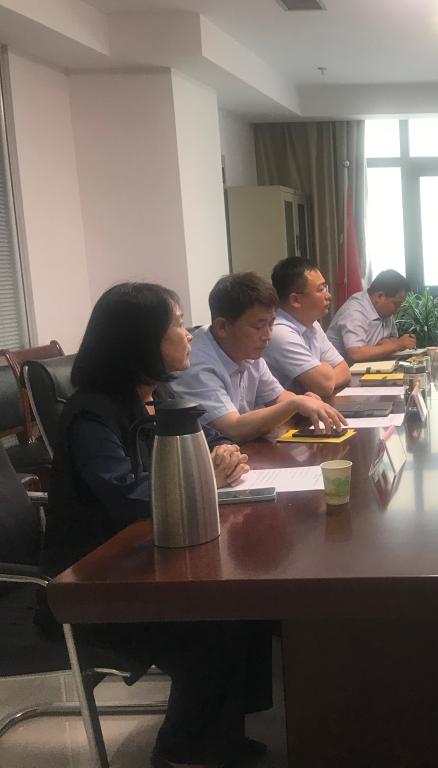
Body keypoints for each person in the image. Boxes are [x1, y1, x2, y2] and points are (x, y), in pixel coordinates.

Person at [44, 282, 272, 768]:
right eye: (178, 325)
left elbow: (210, 438)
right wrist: (205, 476)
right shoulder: (92, 413)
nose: (189, 335)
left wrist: (223, 455)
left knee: (250, 603)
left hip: (155, 553)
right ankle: (180, 751)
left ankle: (221, 734)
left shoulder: (159, 395)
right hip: (99, 579)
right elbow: (126, 496)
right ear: (141, 339)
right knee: (215, 625)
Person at [173, 272, 345, 443]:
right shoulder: (196, 363)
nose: (268, 336)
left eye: (271, 324)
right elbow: (232, 429)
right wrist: (296, 404)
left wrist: (308, 403)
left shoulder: (248, 351)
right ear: (222, 327)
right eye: (259, 327)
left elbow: (278, 398)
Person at [263, 257, 351, 398]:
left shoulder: (312, 323)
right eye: (321, 289)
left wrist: (326, 379)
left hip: (306, 406)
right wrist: (325, 376)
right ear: (295, 300)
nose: (328, 295)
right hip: (284, 411)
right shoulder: (279, 332)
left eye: (326, 288)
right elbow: (323, 386)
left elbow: (344, 370)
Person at [327, 269, 417, 361]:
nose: (398, 309)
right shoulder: (355, 311)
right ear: (380, 296)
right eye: (396, 304)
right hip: (342, 368)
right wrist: (397, 345)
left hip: (372, 366)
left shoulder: (385, 312)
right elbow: (355, 354)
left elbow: (392, 340)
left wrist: (391, 344)